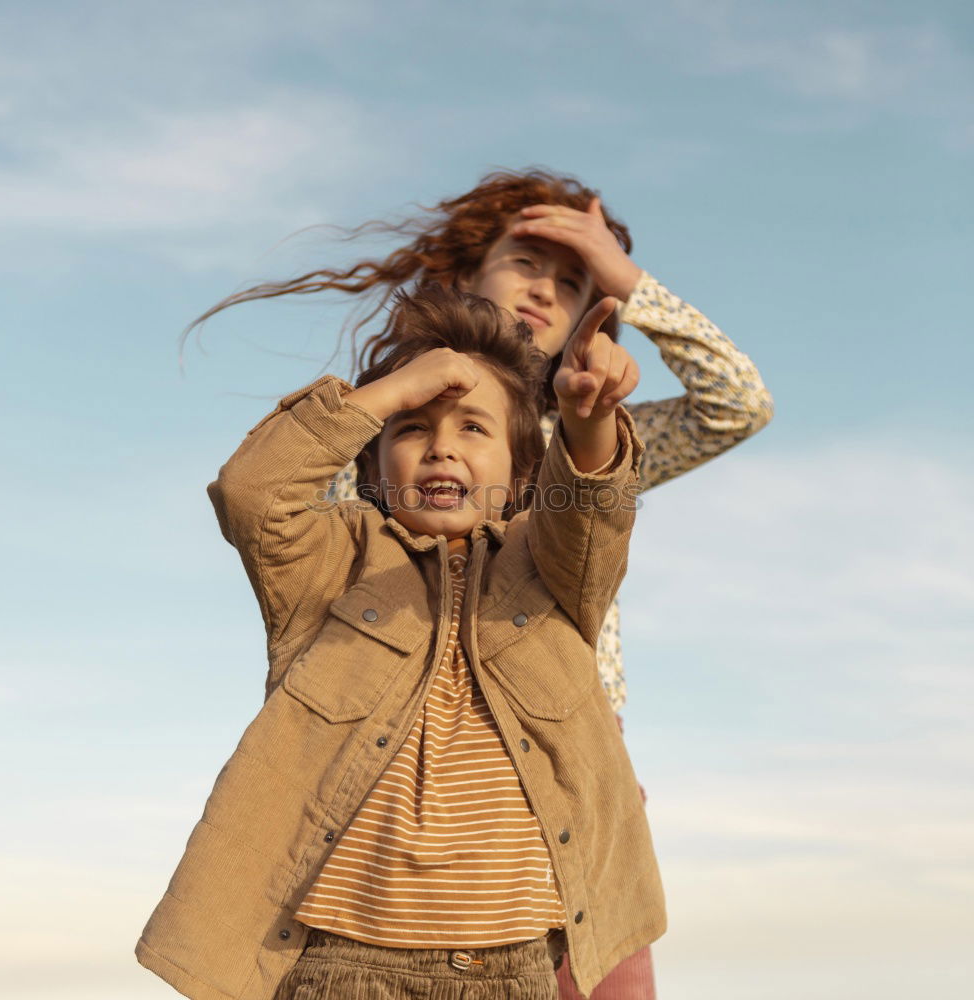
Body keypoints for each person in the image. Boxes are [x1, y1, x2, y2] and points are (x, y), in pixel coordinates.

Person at [183, 168, 774, 998]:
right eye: (526, 261)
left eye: (573, 280)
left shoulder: (584, 445)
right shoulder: (379, 449)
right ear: (461, 277)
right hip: (386, 779)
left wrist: (625, 286)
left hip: (566, 774)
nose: (546, 287)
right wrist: (397, 394)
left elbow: (733, 407)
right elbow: (266, 510)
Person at [136, 284, 663, 1000]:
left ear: (521, 477)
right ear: (375, 469)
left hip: (512, 970)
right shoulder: (334, 562)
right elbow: (253, 494)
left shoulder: (547, 570)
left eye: (473, 429)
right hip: (339, 966)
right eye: (412, 427)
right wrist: (391, 389)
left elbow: (594, 514)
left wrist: (588, 420)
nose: (442, 445)